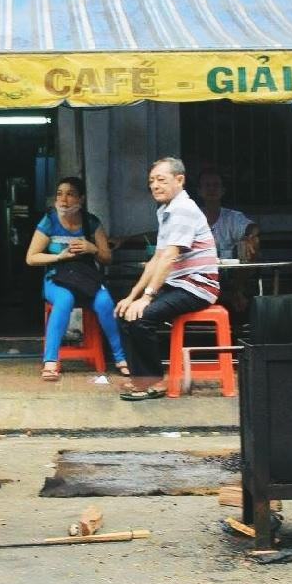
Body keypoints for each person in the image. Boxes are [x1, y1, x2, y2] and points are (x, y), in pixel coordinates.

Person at [114, 157, 219, 401]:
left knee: (142, 318)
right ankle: (141, 379)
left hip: (198, 287)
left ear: (179, 180)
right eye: (151, 181)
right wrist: (132, 296)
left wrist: (147, 297)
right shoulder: (166, 210)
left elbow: (170, 257)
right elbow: (157, 258)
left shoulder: (183, 209)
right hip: (178, 284)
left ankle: (154, 381)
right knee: (124, 312)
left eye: (161, 180)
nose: (155, 185)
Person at [25, 176, 128, 381]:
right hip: (56, 278)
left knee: (105, 302)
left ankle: (121, 357)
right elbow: (31, 258)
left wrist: (92, 248)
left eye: (70, 194)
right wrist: (59, 256)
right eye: (59, 194)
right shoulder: (49, 221)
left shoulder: (91, 223)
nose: (63, 200)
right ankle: (51, 361)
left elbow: (107, 258)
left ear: (81, 198)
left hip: (86, 278)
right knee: (64, 300)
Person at [196, 169, 255, 328]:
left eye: (216, 185)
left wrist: (249, 238)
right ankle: (234, 297)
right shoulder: (192, 217)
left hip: (231, 279)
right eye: (207, 185)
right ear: (199, 191)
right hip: (200, 279)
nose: (211, 189)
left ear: (223, 191)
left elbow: (252, 228)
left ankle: (236, 296)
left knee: (252, 248)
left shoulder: (233, 217)